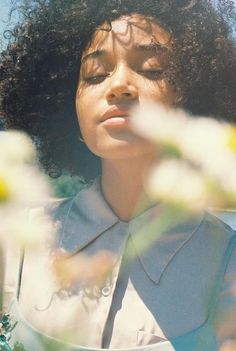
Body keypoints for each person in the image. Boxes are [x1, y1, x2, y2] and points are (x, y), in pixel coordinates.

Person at [0, 0, 236, 350]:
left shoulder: (227, 262)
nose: (119, 86)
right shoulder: (13, 242)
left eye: (153, 69)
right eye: (95, 75)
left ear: (194, 95)